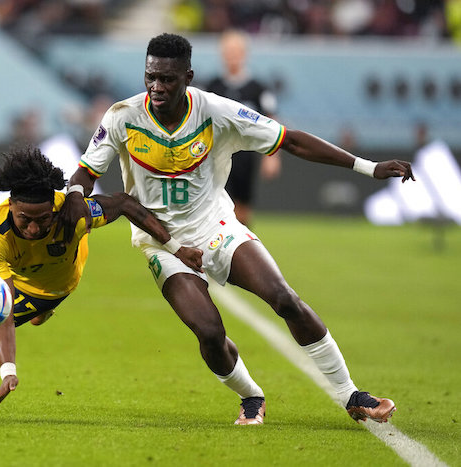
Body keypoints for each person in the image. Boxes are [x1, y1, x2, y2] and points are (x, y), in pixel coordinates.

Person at [60, 33, 414, 425]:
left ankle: (351, 394)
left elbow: (290, 141)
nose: (157, 87)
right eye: (150, 77)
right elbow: (85, 174)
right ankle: (251, 395)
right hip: (160, 242)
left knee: (284, 298)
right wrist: (73, 192)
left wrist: (369, 167)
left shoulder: (216, 111)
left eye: (167, 79)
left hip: (218, 226)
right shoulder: (122, 117)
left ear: (188, 76)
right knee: (209, 332)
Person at [0, 146, 203, 414]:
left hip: (64, 281)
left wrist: (176, 248)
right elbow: (1, 309)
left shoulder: (73, 213)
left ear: (53, 209)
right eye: (24, 219)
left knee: (37, 306)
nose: (33, 228)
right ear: (10, 207)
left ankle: (42, 311)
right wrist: (8, 371)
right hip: (28, 287)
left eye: (42, 219)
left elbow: (125, 204)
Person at [204, 29, 281, 227]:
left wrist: (272, 157)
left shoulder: (258, 89)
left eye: (236, 51)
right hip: (216, 154)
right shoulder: (212, 86)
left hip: (245, 155)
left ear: (245, 54)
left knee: (242, 207)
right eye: (228, 51)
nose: (232, 57)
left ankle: (241, 250)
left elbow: (271, 123)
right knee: (217, 207)